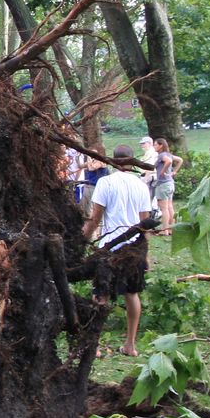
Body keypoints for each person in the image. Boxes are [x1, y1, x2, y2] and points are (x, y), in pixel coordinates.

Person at [83, 145, 155, 357]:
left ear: (112, 161)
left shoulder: (105, 182)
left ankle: (94, 345)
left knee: (101, 293)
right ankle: (130, 344)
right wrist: (146, 254)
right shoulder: (141, 186)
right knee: (132, 294)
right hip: (134, 247)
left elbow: (95, 219)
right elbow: (145, 223)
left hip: (110, 247)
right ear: (133, 162)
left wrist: (83, 241)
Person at [151, 138, 183, 233]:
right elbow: (180, 160)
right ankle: (171, 229)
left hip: (163, 184)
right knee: (169, 206)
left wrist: (162, 171)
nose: (154, 146)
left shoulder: (162, 155)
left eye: (155, 144)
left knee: (163, 208)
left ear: (161, 146)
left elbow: (168, 161)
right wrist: (174, 171)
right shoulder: (169, 154)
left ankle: (164, 230)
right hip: (170, 183)